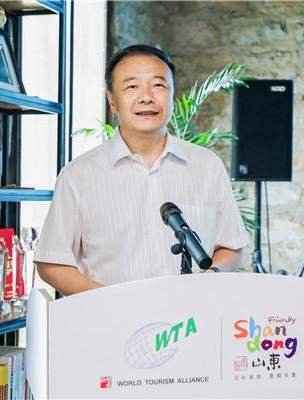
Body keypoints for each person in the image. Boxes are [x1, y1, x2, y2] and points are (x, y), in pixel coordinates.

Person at [34, 44, 248, 295]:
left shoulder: (207, 165)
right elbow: (52, 263)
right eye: (132, 87)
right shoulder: (78, 175)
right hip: (112, 316)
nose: (146, 97)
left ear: (172, 94)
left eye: (158, 85)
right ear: (112, 101)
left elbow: (231, 246)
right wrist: (112, 302)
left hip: (194, 313)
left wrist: (209, 279)